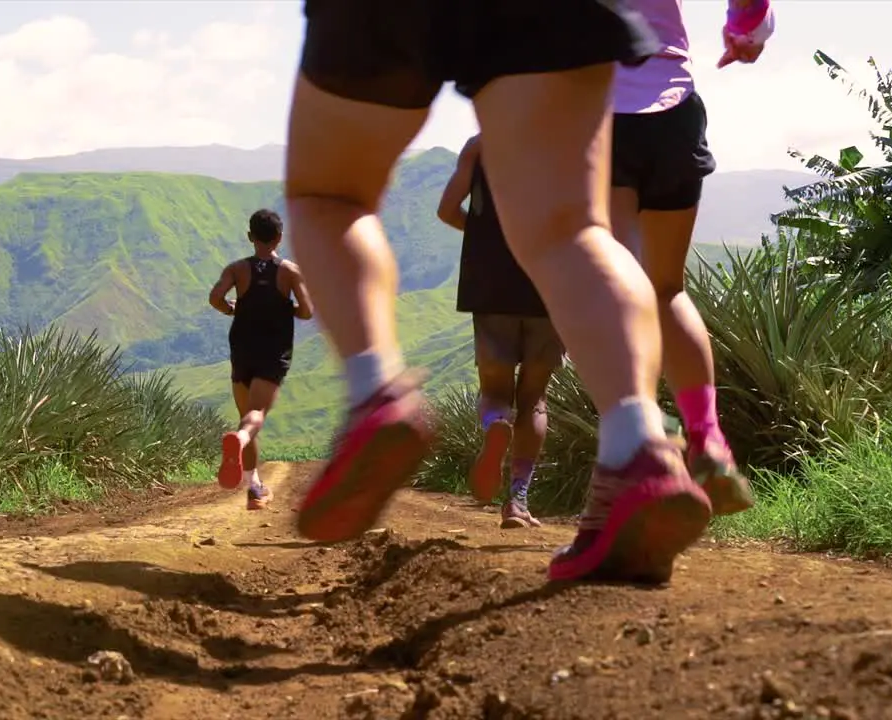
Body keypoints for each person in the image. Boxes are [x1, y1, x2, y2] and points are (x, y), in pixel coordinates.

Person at [286, 0, 716, 584]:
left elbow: (447, 207)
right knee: (573, 231)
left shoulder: (468, 156)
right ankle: (638, 449)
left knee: (333, 197)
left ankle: (375, 391)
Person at [605, 0, 774, 517]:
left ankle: (651, 450)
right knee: (666, 288)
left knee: (610, 287)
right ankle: (708, 437)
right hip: (675, 107)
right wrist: (747, 30)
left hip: (599, 105)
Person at [437, 134, 566, 529]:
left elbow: (446, 210)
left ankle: (495, 425)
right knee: (534, 399)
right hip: (549, 283)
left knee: (496, 390)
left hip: (491, 285)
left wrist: (485, 239)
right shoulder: (570, 141)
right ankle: (518, 500)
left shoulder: (480, 146)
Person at [210, 209, 314, 510]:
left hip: (241, 348)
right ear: (279, 237)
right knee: (254, 417)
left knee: (247, 416)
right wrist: (286, 309)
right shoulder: (290, 271)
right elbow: (307, 311)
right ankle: (239, 440)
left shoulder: (237, 269)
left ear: (250, 237)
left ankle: (254, 488)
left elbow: (215, 297)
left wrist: (233, 308)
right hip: (273, 351)